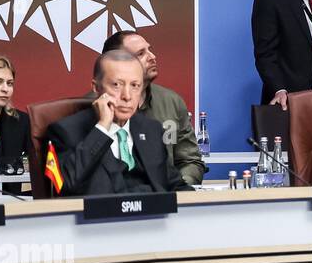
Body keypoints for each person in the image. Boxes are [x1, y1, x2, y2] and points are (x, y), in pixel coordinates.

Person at [46, 50, 192, 196]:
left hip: (154, 215)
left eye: (135, 85)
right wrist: (102, 128)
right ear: (96, 88)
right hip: (101, 217)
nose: (127, 96)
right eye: (117, 85)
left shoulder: (150, 129)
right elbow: (65, 185)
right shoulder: (66, 131)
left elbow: (174, 184)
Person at [97, 30, 205, 186]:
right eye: (141, 53)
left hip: (165, 198)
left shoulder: (172, 102)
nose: (152, 56)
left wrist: (178, 190)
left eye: (149, 49)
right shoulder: (93, 107)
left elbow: (190, 161)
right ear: (118, 63)